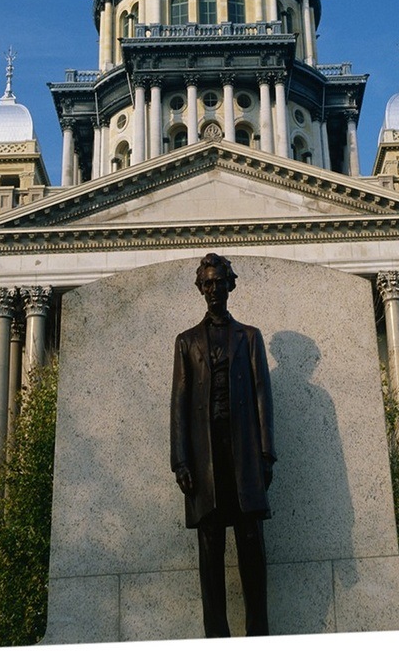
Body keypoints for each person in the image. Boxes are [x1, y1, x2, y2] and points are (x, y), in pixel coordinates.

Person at [170, 253, 276, 637]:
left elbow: (263, 394)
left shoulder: (250, 337)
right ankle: (216, 638)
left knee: (252, 546)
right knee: (210, 552)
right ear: (201, 288)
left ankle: (258, 635)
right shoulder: (186, 342)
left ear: (231, 285)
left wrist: (266, 453)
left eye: (220, 282)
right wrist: (180, 461)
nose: (214, 289)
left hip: (244, 454)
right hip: (204, 457)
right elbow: (178, 404)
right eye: (208, 283)